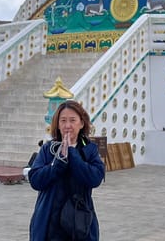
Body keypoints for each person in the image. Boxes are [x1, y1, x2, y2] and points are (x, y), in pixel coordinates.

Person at [28, 100, 105, 240]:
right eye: (63, 120)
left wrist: (72, 153)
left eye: (72, 120)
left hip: (79, 220)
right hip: (50, 220)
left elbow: (95, 178)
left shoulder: (89, 150)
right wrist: (58, 162)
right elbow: (35, 180)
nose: (67, 125)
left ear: (81, 123)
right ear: (57, 124)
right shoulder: (48, 149)